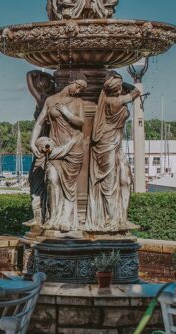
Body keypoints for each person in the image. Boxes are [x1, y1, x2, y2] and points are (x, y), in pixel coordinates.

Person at [30, 79, 87, 232]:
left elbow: (81, 122)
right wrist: (32, 142)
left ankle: (65, 220)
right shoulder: (50, 100)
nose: (79, 90)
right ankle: (53, 217)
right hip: (54, 147)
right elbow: (40, 122)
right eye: (79, 86)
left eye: (82, 89)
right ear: (71, 82)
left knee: (69, 186)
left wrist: (65, 112)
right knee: (51, 179)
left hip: (74, 146)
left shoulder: (78, 102)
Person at [85, 72, 140, 231]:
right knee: (109, 183)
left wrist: (114, 83)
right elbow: (136, 92)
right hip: (108, 145)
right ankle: (111, 220)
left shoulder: (108, 100)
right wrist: (125, 84)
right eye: (119, 86)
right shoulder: (115, 101)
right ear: (117, 89)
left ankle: (119, 217)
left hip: (113, 144)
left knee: (124, 179)